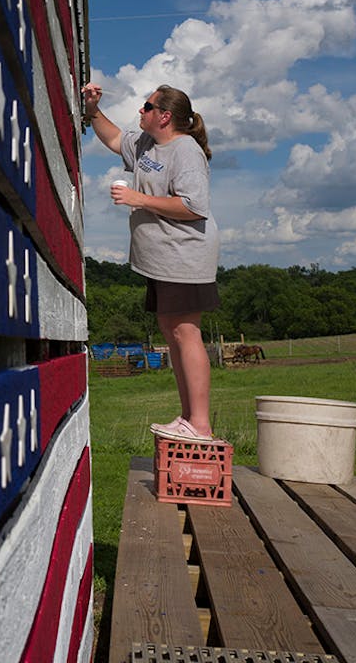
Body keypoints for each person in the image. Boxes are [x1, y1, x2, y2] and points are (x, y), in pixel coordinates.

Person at [82, 82, 221, 442]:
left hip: (184, 255)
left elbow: (193, 207)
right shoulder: (147, 144)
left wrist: (137, 199)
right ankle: (189, 419)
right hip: (161, 259)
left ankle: (200, 424)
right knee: (170, 332)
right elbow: (114, 139)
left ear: (165, 116)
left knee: (185, 332)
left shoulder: (185, 151)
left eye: (147, 106)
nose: (140, 111)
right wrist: (93, 110)